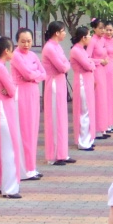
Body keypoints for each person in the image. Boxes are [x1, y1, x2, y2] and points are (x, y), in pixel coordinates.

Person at [11, 28, 47, 179]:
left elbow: (43, 73)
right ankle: (24, 169)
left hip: (33, 92)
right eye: (23, 41)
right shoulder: (15, 56)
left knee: (33, 129)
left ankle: (32, 166)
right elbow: (27, 73)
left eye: (29, 41)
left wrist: (34, 76)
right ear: (17, 41)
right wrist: (34, 75)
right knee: (24, 130)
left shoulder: (32, 55)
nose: (26, 44)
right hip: (22, 93)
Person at [41, 22, 72, 166]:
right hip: (53, 83)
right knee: (54, 118)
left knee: (61, 118)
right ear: (56, 33)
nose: (64, 34)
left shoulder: (57, 46)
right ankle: (53, 156)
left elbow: (66, 64)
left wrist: (65, 66)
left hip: (60, 83)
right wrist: (65, 66)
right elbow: (62, 66)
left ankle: (62, 153)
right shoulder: (49, 48)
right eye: (63, 31)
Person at [68, 26, 99, 153]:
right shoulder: (76, 50)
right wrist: (92, 64)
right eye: (89, 35)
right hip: (81, 82)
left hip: (87, 80)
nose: (91, 38)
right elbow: (87, 65)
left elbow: (90, 62)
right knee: (84, 111)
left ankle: (88, 139)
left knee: (88, 110)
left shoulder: (82, 50)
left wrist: (91, 64)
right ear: (83, 37)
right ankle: (83, 141)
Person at [93, 19, 113, 140]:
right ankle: (104, 124)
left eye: (110, 30)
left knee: (111, 95)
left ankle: (110, 122)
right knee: (104, 96)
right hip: (103, 66)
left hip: (111, 67)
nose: (108, 32)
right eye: (105, 29)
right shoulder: (100, 40)